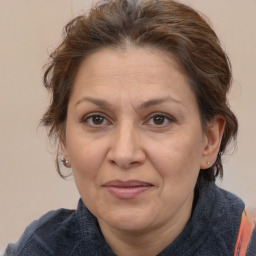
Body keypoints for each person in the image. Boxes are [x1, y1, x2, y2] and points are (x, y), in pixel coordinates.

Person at [4, 0, 256, 255]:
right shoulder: (37, 249)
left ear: (210, 140)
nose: (124, 154)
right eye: (97, 119)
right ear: (64, 140)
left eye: (159, 119)